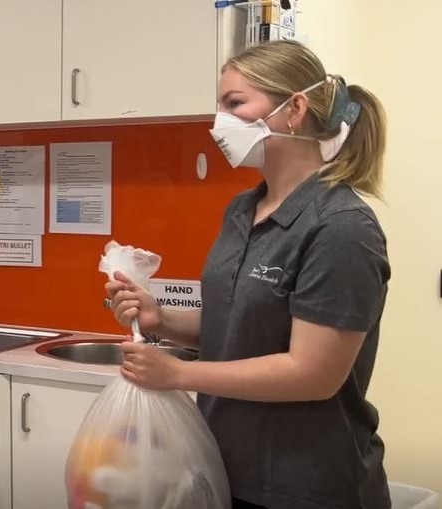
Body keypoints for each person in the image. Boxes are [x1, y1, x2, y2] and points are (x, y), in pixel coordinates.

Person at [106, 40, 391, 509]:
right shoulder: (243, 210)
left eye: (234, 104)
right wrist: (163, 319)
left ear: (295, 108)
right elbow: (241, 327)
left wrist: (179, 373)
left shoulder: (340, 227)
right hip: (225, 468)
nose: (219, 123)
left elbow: (313, 374)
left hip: (306, 485)